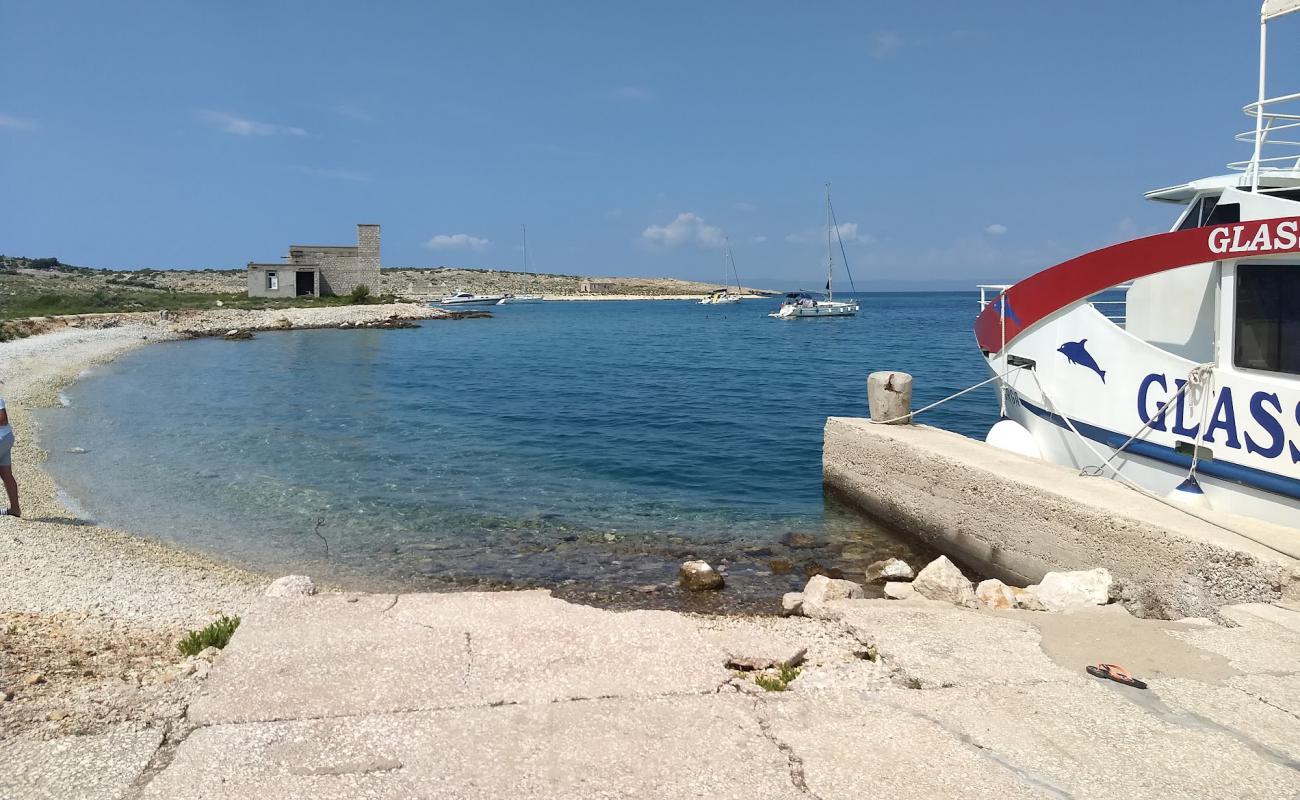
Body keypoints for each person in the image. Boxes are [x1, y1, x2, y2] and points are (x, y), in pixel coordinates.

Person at [0, 386, 19, 518]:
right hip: (6, 438)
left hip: (2, 438)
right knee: (6, 474)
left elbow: (3, 419)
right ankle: (15, 509)